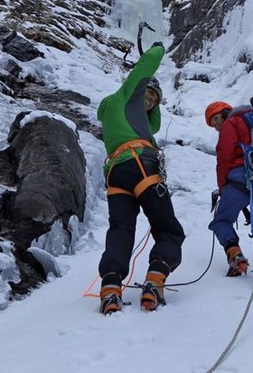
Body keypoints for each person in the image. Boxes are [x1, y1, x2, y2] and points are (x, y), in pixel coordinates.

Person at [96, 42, 184, 314]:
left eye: (155, 99)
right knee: (169, 230)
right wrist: (157, 49)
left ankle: (111, 287)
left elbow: (152, 125)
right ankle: (155, 279)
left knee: (120, 229)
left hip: (116, 175)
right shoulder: (125, 96)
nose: (150, 100)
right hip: (141, 166)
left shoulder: (117, 113)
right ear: (137, 90)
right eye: (147, 94)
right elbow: (143, 70)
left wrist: (152, 101)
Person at [205, 100, 253, 289]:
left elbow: (224, 155)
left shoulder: (232, 123)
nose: (216, 124)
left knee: (221, 221)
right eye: (212, 122)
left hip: (241, 178)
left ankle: (235, 255)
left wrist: (224, 187)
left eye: (216, 118)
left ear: (226, 113)